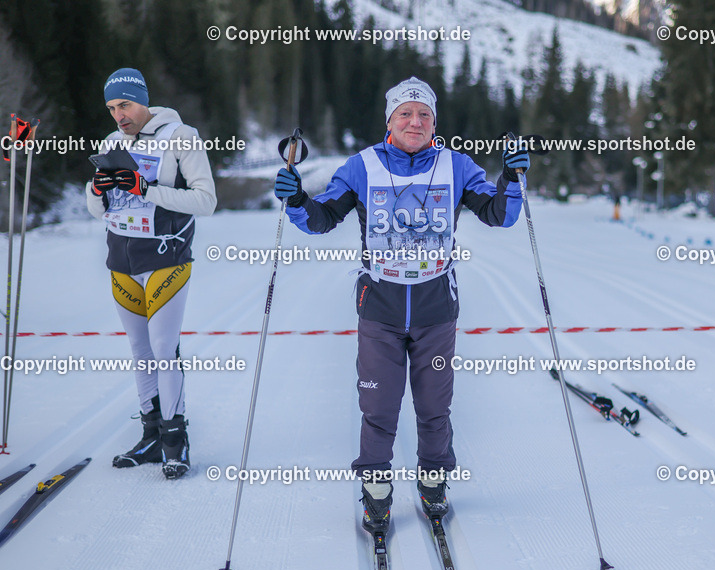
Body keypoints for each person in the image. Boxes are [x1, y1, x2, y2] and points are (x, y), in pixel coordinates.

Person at [273, 76, 527, 531]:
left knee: (434, 407)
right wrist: (296, 198)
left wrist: (511, 175)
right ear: (389, 120)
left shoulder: (456, 165)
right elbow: (321, 219)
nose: (416, 121)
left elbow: (500, 214)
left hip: (435, 306)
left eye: (424, 114)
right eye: (405, 113)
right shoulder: (363, 165)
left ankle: (433, 484)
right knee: (379, 407)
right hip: (380, 307)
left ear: (435, 123)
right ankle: (376, 491)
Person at [85, 68, 217, 479]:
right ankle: (150, 436)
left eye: (124, 105)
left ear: (143, 100)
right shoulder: (111, 143)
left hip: (166, 258)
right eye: (111, 108)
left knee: (163, 349)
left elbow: (206, 200)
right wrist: (100, 188)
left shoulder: (181, 136)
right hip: (122, 259)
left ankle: (176, 442)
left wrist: (145, 188)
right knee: (140, 352)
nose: (118, 115)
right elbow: (93, 210)